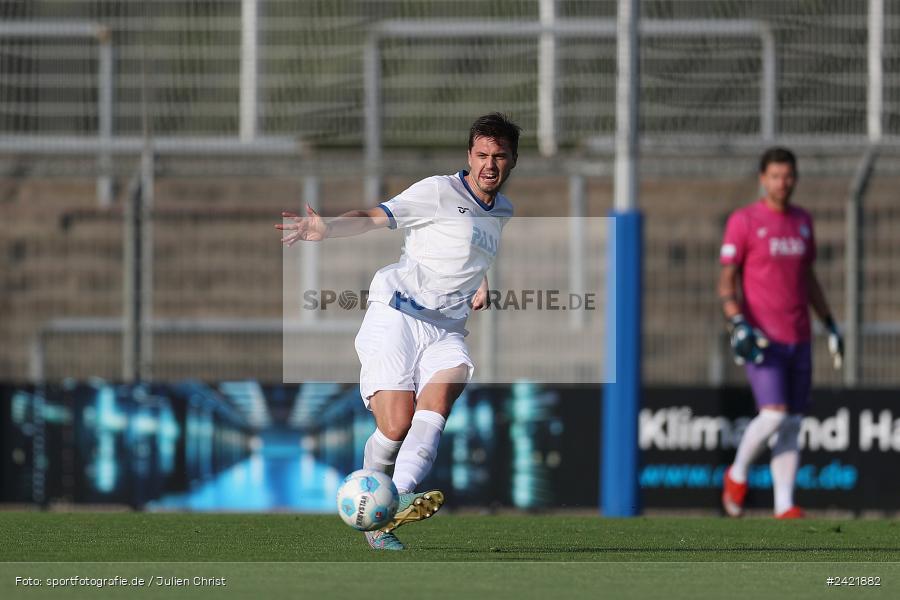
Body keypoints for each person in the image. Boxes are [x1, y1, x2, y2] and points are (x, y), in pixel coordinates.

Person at [276, 113, 519, 549]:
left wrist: (480, 280)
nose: (490, 164)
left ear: (512, 160)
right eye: (482, 154)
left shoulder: (502, 210)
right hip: (398, 314)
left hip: (447, 329)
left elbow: (468, 252)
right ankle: (377, 493)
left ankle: (395, 505)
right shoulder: (438, 191)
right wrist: (328, 227)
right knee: (396, 424)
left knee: (440, 398)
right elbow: (373, 216)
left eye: (499, 156)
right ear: (469, 155)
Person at [718, 147, 843, 519]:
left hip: (799, 335)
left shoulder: (802, 221)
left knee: (792, 421)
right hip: (762, 338)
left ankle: (784, 504)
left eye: (787, 176)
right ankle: (737, 474)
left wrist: (830, 322)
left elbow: (808, 278)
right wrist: (736, 320)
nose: (782, 183)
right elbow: (726, 278)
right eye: (775, 176)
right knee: (772, 414)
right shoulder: (744, 221)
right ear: (762, 178)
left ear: (795, 178)